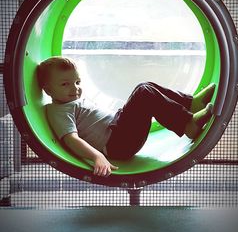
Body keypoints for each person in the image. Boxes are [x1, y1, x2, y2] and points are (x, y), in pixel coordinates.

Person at [37, 56, 215, 177]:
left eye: (77, 82)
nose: (75, 88)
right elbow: (71, 139)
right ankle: (187, 125)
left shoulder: (69, 102)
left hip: (119, 129)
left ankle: (190, 104)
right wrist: (97, 156)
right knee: (144, 93)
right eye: (65, 84)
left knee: (144, 86)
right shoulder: (58, 110)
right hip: (118, 143)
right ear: (48, 89)